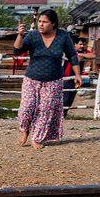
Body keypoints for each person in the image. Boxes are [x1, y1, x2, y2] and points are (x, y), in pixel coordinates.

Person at [13, 9, 80, 149]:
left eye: (45, 22)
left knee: (46, 110)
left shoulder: (63, 36)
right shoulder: (33, 36)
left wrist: (77, 75)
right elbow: (18, 50)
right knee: (26, 108)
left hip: (53, 80)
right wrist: (20, 35)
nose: (41, 25)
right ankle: (24, 129)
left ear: (53, 24)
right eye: (40, 21)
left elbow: (72, 56)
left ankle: (36, 138)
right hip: (32, 79)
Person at [62, 37, 84, 118]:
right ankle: (60, 116)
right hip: (66, 79)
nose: (82, 46)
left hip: (76, 80)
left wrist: (81, 54)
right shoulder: (68, 52)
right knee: (65, 99)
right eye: (80, 44)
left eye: (83, 44)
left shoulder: (82, 52)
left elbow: (93, 55)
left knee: (70, 100)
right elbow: (77, 59)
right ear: (74, 45)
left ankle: (64, 115)